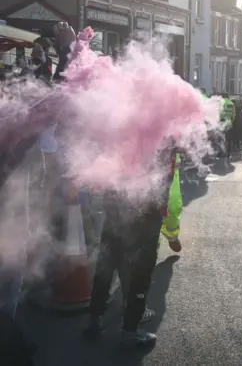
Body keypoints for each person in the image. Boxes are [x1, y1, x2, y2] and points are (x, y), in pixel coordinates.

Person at [84, 147, 178, 348]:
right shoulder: (164, 133)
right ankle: (130, 330)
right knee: (140, 272)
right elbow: (163, 179)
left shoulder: (121, 123)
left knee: (106, 264)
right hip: (144, 211)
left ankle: (94, 319)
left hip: (116, 204)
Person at [219, 93, 236, 158]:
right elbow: (234, 115)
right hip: (229, 123)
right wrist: (231, 121)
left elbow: (218, 113)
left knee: (222, 139)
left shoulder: (221, 103)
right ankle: (228, 153)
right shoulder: (231, 104)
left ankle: (222, 153)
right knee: (228, 139)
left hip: (222, 123)